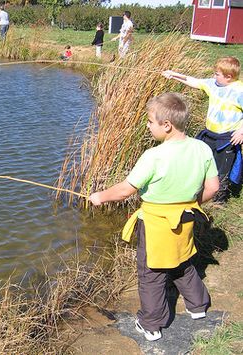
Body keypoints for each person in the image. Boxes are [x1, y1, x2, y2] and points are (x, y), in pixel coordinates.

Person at [89, 93, 219, 342]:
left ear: (166, 125)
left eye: (150, 122)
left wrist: (100, 197)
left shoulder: (153, 156)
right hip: (187, 216)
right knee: (183, 260)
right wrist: (191, 203)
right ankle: (198, 306)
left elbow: (126, 189)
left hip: (156, 223)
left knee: (152, 272)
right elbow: (213, 187)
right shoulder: (202, 148)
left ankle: (150, 324)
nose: (147, 126)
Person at [162, 57, 243, 203]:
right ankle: (202, 190)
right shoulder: (214, 84)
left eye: (217, 74)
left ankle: (219, 199)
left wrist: (241, 131)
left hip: (228, 138)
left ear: (229, 77)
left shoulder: (239, 90)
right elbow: (193, 81)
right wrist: (173, 74)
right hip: (210, 133)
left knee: (222, 168)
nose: (214, 76)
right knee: (205, 162)